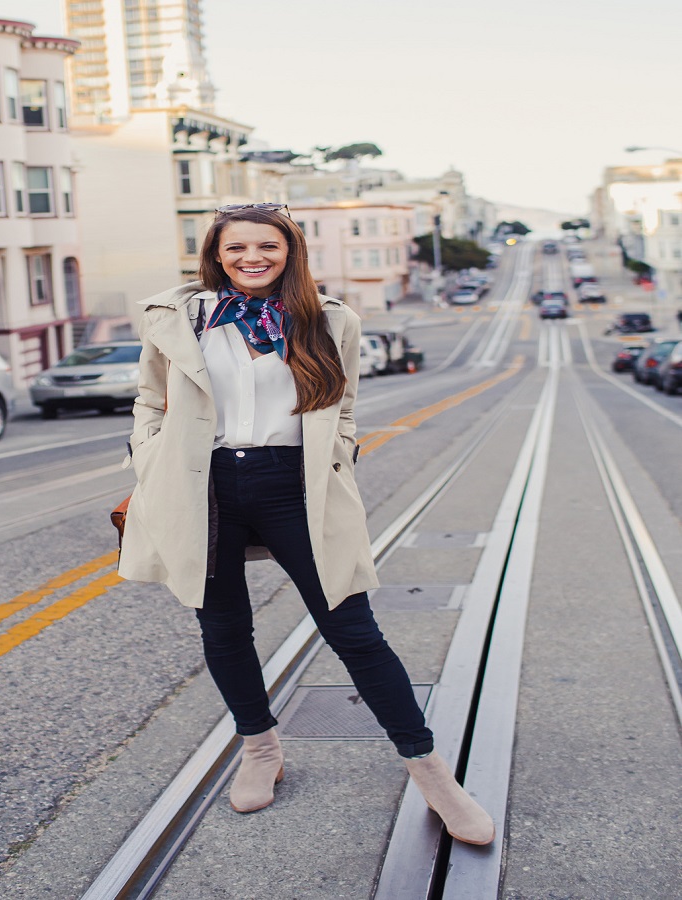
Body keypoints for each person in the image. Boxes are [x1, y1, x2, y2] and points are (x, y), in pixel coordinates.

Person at [118, 204, 494, 845]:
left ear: (290, 251)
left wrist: (339, 453)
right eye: (236, 247)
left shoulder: (330, 319)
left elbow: (343, 403)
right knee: (225, 627)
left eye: (267, 245)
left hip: (294, 484)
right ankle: (260, 750)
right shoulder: (179, 316)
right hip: (203, 484)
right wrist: (149, 453)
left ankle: (431, 773)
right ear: (216, 252)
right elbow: (151, 397)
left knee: (354, 630)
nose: (251, 257)